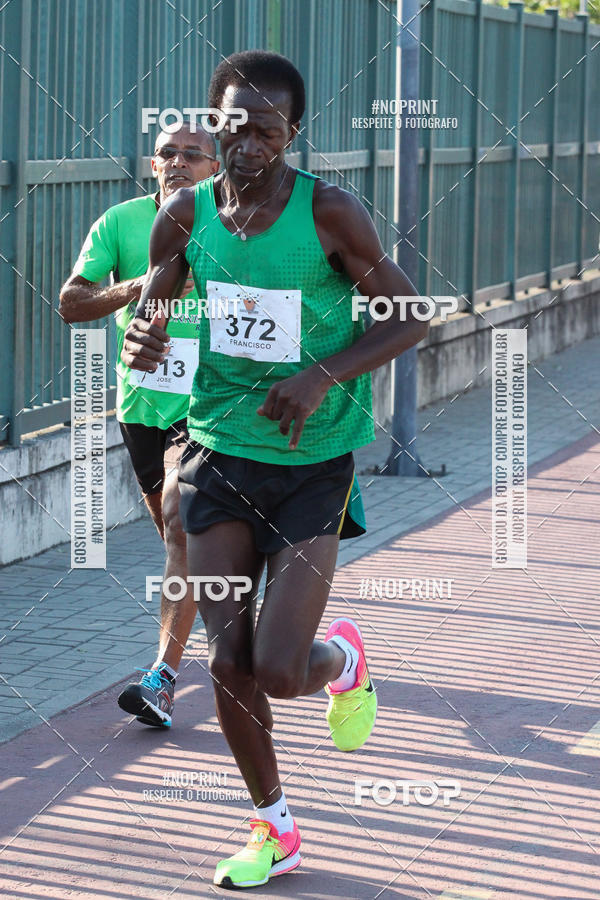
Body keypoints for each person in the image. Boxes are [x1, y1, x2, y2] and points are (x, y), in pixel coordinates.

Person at [121, 50, 427, 890]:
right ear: (214, 125)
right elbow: (154, 308)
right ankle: (275, 828)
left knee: (280, 671)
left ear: (294, 131)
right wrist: (146, 334)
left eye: (267, 129)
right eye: (234, 127)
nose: (249, 143)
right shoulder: (185, 214)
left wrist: (321, 374)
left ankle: (343, 662)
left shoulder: (330, 212)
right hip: (216, 455)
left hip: (311, 465)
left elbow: (411, 315)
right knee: (228, 665)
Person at [59, 125, 219, 727]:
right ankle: (237, 631)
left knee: (181, 526)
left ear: (215, 167)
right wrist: (142, 285)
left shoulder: (233, 226)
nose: (178, 162)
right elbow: (71, 302)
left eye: (192, 155)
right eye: (167, 154)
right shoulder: (122, 222)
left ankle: (161, 680)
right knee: (179, 540)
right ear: (153, 165)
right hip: (142, 405)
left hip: (211, 406)